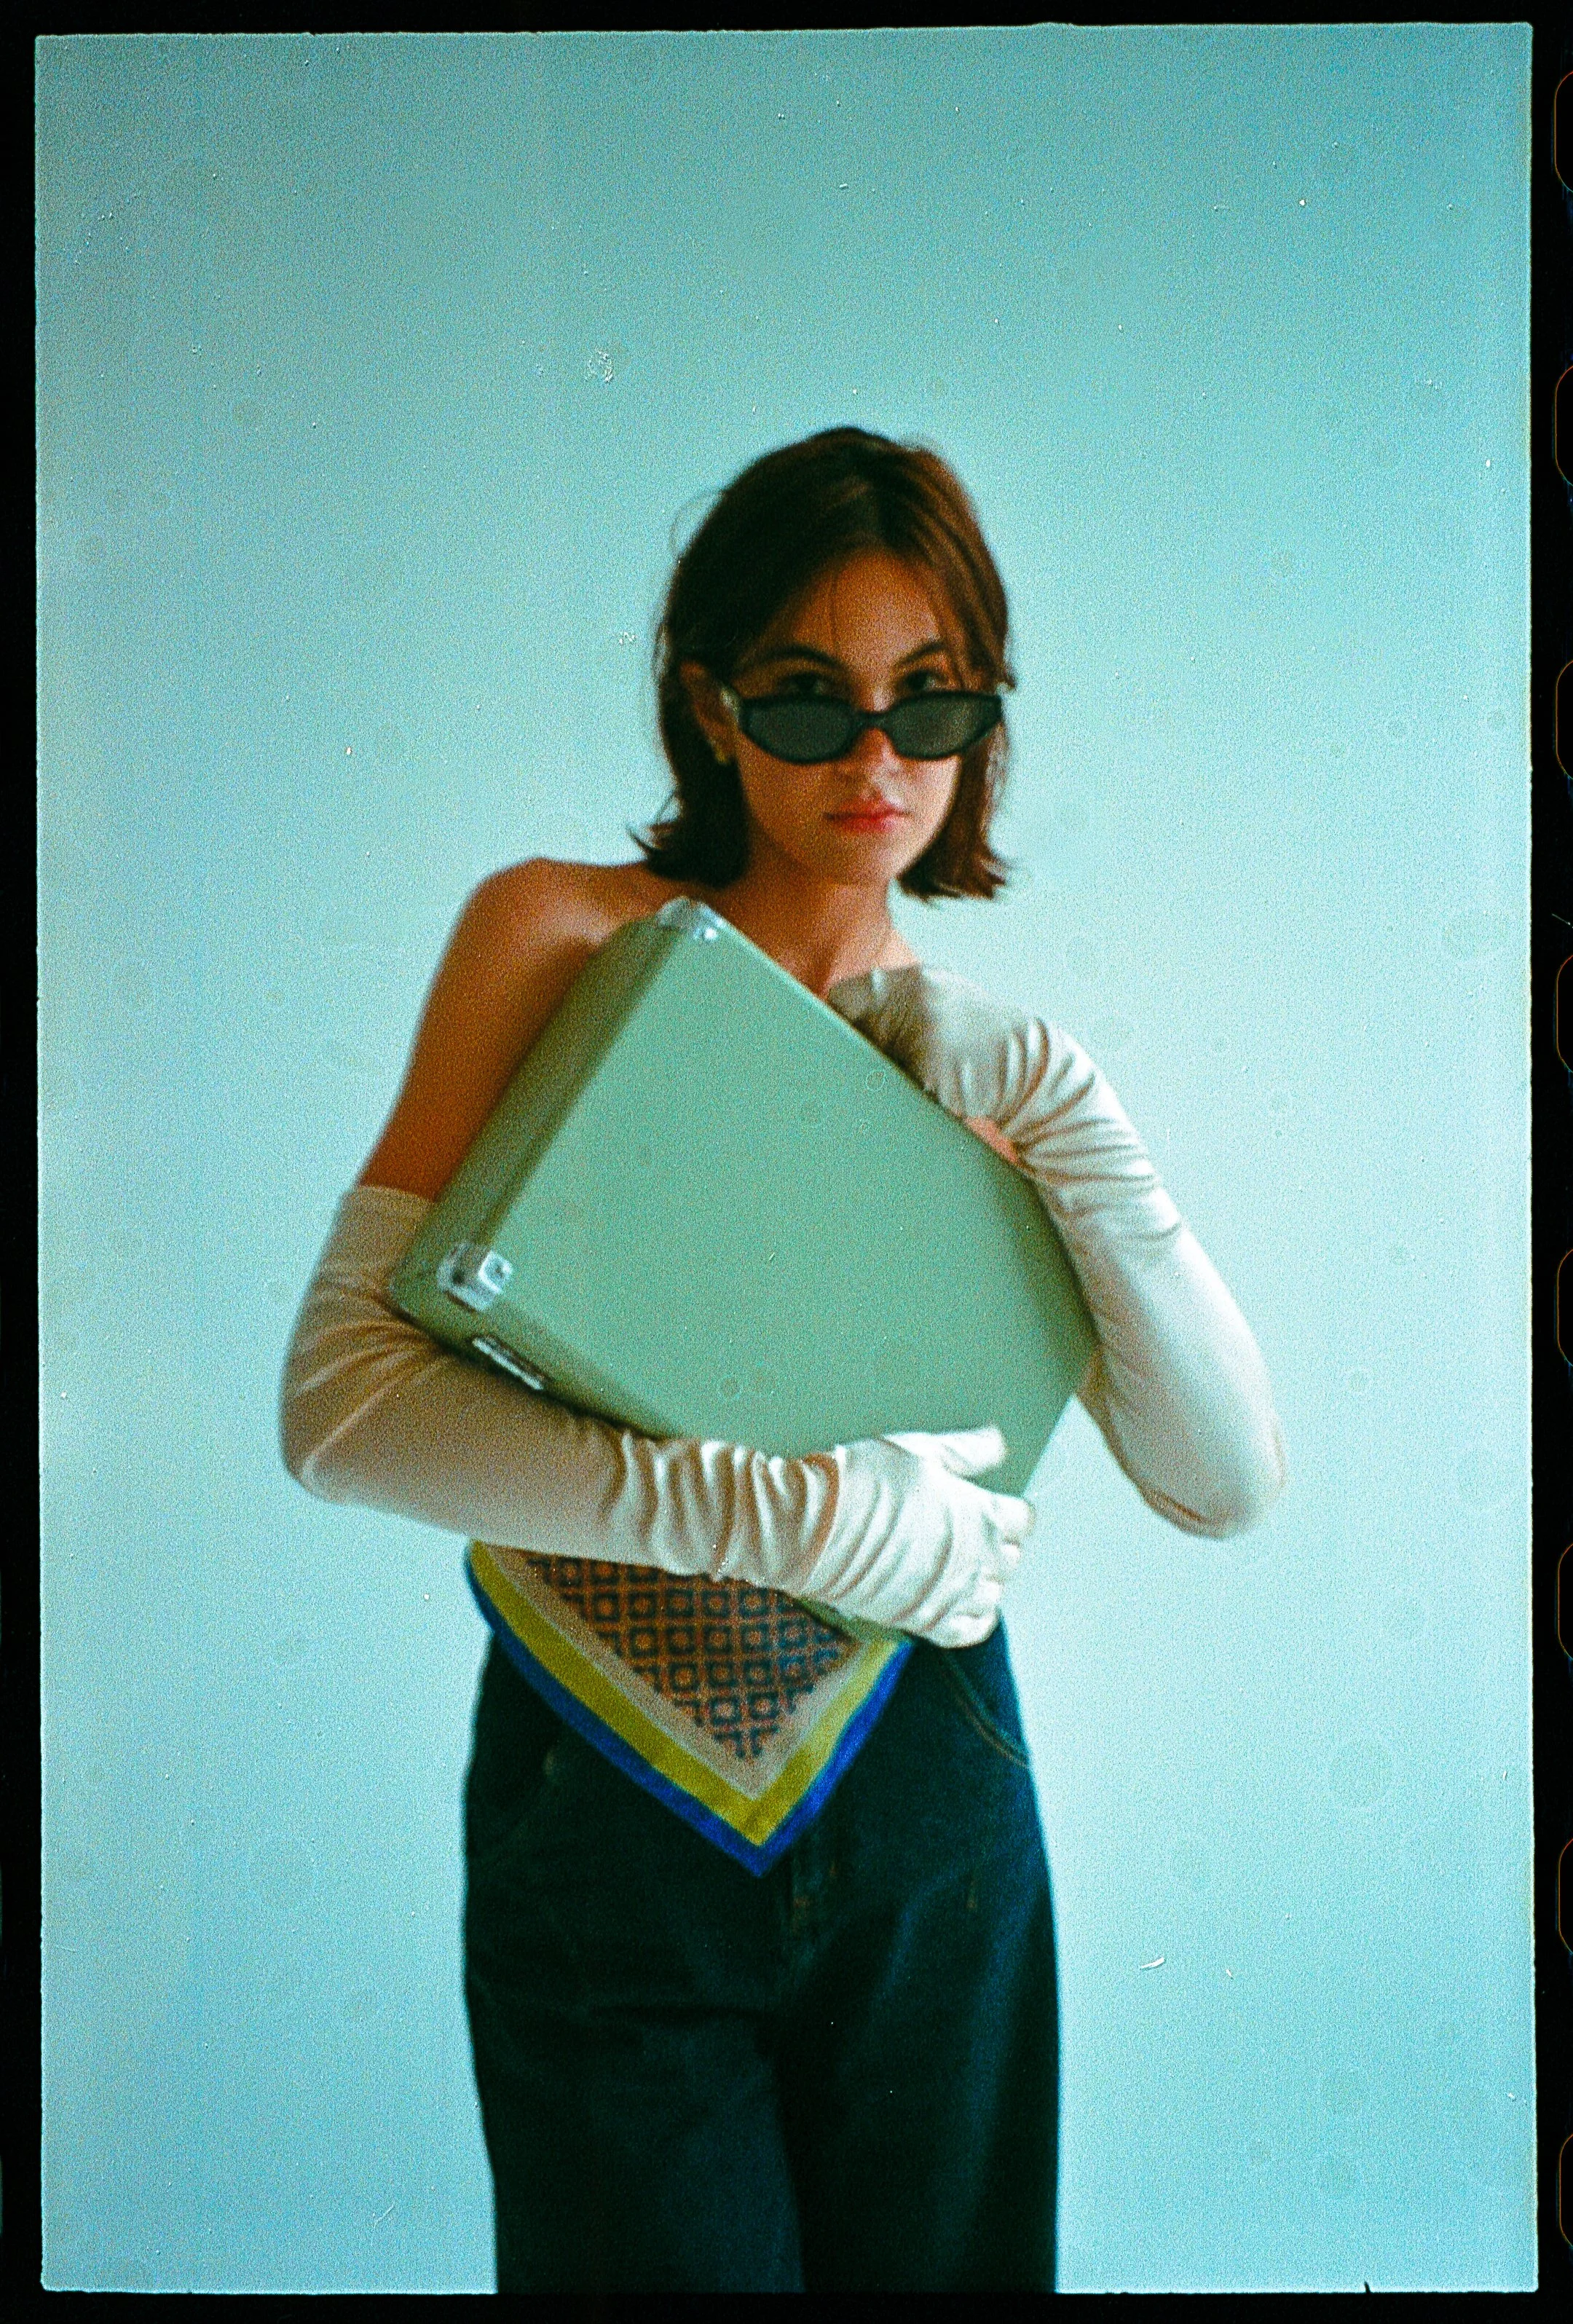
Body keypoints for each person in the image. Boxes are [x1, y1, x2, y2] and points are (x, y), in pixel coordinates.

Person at [279, 426, 1286, 2293]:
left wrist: (1087, 1133)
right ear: (710, 702)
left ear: (987, 715)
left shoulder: (989, 1075)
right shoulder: (565, 936)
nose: (879, 760)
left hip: (930, 1792)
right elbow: (340, 1405)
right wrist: (777, 1510)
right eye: (811, 701)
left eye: (934, 698)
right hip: (607, 1790)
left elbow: (1222, 1480)